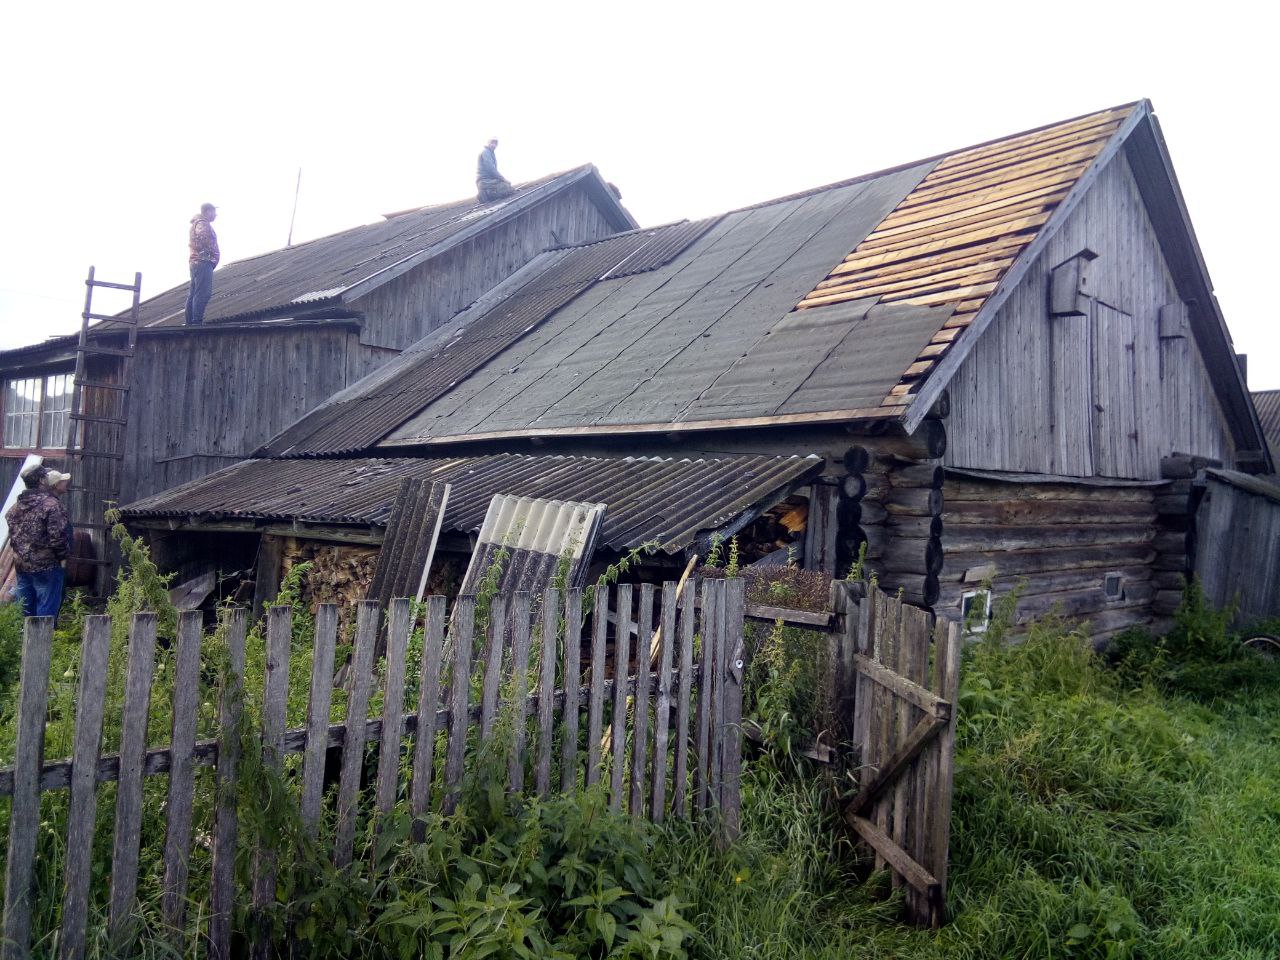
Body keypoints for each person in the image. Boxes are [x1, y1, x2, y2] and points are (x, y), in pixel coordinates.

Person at [4, 464, 72, 618]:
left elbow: (13, 533)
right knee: (45, 613)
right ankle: (40, 642)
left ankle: (22, 641)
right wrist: (63, 557)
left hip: (22, 566)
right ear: (42, 480)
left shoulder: (16, 506)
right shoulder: (52, 505)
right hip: (47, 566)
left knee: (24, 610)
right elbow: (58, 538)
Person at [185, 202, 220, 325]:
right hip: (203, 261)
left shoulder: (198, 223)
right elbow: (203, 239)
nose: (216, 215)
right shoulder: (202, 224)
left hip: (197, 261)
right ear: (208, 211)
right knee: (203, 292)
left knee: (194, 292)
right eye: (214, 212)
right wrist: (211, 253)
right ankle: (196, 322)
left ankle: (191, 321)